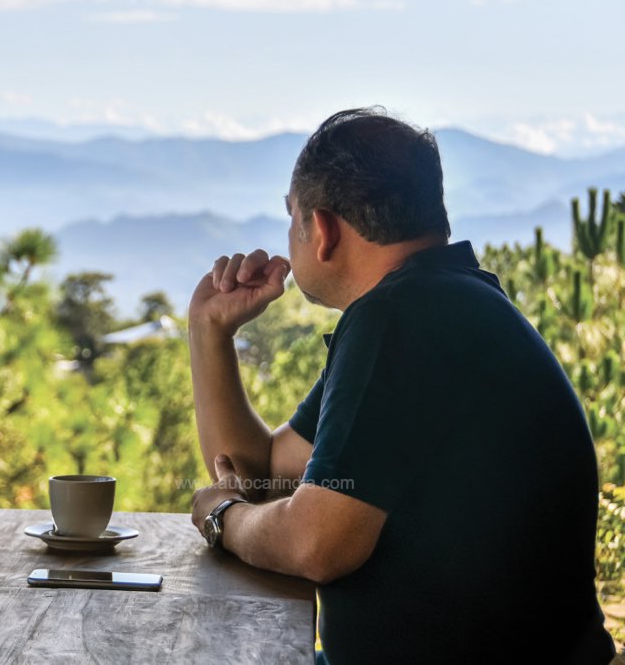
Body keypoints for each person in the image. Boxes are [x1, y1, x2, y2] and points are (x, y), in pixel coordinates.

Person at [188, 108, 616, 663]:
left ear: (322, 230)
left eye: (291, 217)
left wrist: (224, 518)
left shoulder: (400, 317)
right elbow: (263, 474)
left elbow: (317, 544)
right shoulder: (439, 304)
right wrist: (209, 332)